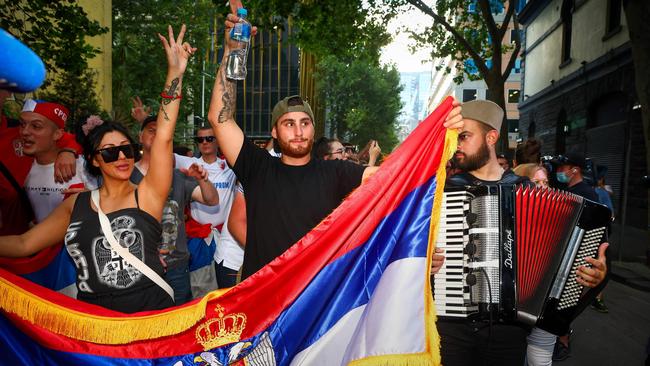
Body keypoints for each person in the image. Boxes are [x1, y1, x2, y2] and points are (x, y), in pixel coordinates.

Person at [206, 7, 464, 280]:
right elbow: (219, 118)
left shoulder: (335, 172)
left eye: (305, 123)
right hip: (264, 298)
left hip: (317, 302)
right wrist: (233, 51)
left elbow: (392, 181)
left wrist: (437, 140)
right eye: (288, 123)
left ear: (314, 129)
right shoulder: (258, 168)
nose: (298, 131)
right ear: (275, 131)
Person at [0, 25, 195, 313]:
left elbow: (164, 135)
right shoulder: (75, 205)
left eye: (126, 149)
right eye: (109, 151)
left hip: (149, 319)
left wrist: (175, 73)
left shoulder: (149, 195)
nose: (121, 157)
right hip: (96, 328)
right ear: (93, 159)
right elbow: (25, 243)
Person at [431, 100, 609, 366]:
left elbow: (564, 257)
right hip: (451, 327)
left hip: (510, 332)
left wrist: (597, 275)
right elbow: (412, 252)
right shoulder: (445, 191)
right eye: (455, 138)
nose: (457, 145)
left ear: (491, 137)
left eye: (464, 136)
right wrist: (426, 262)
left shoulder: (526, 190)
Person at [131, 116, 218, 304]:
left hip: (177, 267)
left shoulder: (178, 176)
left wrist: (203, 179)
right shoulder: (125, 175)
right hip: (138, 266)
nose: (158, 134)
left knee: (179, 325)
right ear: (140, 136)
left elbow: (211, 200)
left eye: (163, 131)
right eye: (152, 130)